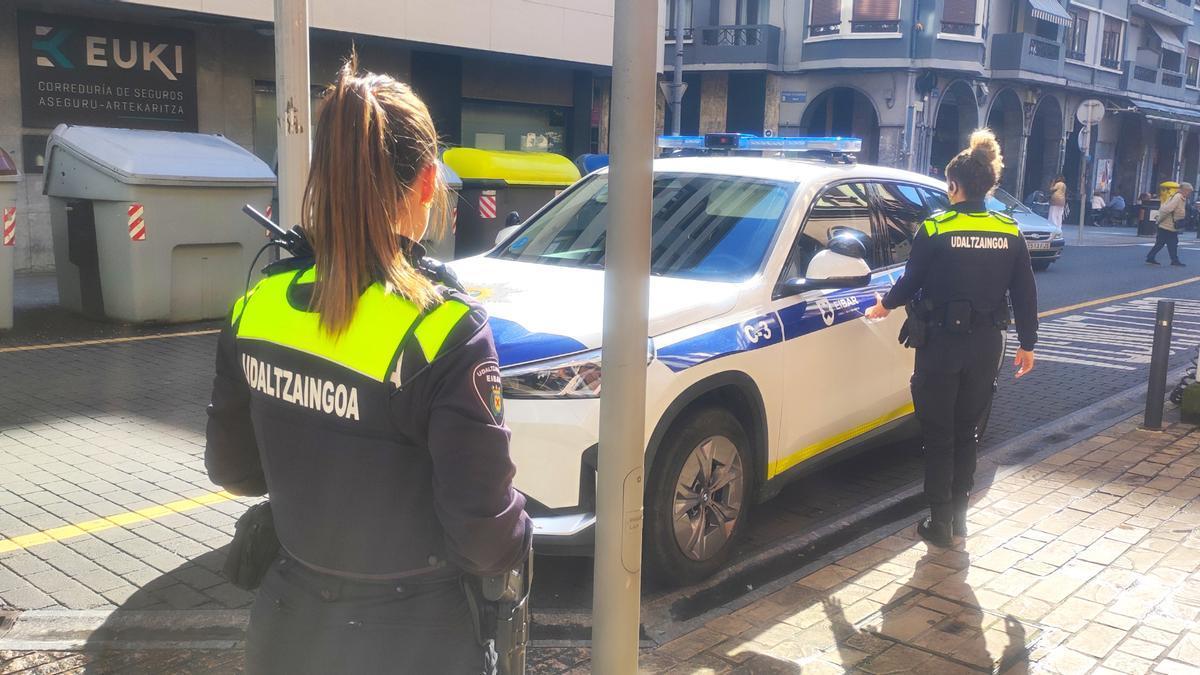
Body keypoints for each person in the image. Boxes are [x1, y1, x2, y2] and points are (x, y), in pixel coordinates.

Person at [205, 55, 530, 674]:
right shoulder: (442, 330)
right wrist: (521, 524)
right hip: (414, 641)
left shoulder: (256, 307)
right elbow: (485, 541)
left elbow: (234, 470)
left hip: (288, 631)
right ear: (428, 183)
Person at [865, 129, 1037, 548]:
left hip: (941, 345)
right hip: (986, 346)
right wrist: (1028, 344)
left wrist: (883, 306)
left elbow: (911, 281)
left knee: (939, 434)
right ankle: (959, 521)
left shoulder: (937, 226)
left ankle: (939, 522)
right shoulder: (1009, 228)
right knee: (967, 433)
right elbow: (1025, 291)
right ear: (988, 184)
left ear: (954, 185)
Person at [1146, 182, 1193, 266]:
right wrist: (1159, 220)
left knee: (1165, 243)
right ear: (1184, 190)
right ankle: (1173, 260)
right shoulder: (1178, 197)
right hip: (1167, 225)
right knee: (1170, 243)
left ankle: (1152, 257)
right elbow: (1167, 209)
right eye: (1189, 191)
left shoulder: (1182, 198)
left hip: (1170, 225)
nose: (1189, 193)